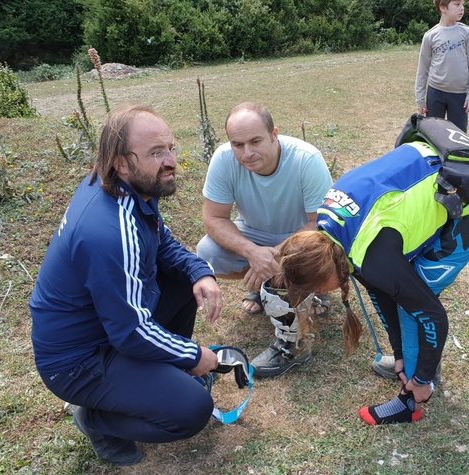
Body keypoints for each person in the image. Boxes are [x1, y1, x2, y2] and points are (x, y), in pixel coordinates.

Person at [29, 105, 224, 466]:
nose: (170, 161)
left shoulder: (127, 188)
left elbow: (161, 241)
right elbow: (130, 333)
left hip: (106, 328)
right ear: (121, 162)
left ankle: (156, 380)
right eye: (155, 153)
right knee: (192, 409)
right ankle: (96, 419)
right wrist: (193, 355)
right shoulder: (108, 233)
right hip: (77, 362)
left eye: (170, 147)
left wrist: (199, 271)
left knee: (183, 281)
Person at [273, 123, 469, 425]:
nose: (321, 294)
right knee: (404, 295)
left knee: (415, 308)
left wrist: (421, 377)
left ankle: (414, 397)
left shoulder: (373, 258)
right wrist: (400, 354)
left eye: (317, 290)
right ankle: (415, 364)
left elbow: (433, 315)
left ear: (327, 277)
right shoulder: (329, 232)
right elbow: (381, 294)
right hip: (430, 170)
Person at [196, 102, 332, 377]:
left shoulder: (306, 159)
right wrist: (252, 252)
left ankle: (310, 291)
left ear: (274, 134)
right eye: (238, 144)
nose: (247, 153)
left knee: (323, 249)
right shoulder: (223, 159)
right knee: (207, 251)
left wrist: (274, 253)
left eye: (255, 141)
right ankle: (266, 286)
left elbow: (319, 223)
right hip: (254, 233)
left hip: (301, 236)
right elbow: (213, 219)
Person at [415, 0, 469, 132]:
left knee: (458, 136)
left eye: (462, 4)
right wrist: (420, 99)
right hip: (435, 93)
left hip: (459, 95)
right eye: (457, 4)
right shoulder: (430, 36)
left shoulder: (467, 32)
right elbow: (422, 69)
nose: (462, 8)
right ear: (443, 7)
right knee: (433, 135)